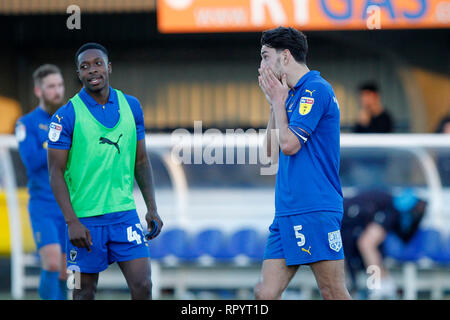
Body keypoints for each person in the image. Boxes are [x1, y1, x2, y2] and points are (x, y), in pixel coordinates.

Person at [47, 43, 163, 300]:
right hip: (85, 221)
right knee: (83, 293)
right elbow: (55, 173)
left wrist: (151, 207)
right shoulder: (64, 117)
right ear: (78, 74)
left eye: (98, 63)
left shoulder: (132, 106)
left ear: (109, 67)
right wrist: (71, 222)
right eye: (84, 67)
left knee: (143, 285)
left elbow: (141, 162)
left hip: (124, 216)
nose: (92, 70)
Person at [256, 27, 351, 300]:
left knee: (332, 292)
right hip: (286, 210)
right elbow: (270, 153)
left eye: (265, 56)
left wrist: (278, 102)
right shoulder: (289, 95)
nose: (261, 65)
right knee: (265, 294)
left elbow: (289, 145)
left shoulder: (316, 90)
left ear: (285, 57)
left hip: (315, 208)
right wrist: (275, 104)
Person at [15, 64, 67, 300]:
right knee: (53, 263)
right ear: (39, 91)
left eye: (59, 85)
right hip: (43, 206)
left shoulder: (69, 119)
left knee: (67, 271)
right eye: (51, 86)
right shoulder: (26, 123)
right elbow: (32, 161)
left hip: (69, 206)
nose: (57, 91)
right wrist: (55, 143)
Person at [341, 189, 426, 299]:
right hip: (351, 220)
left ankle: (379, 284)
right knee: (346, 250)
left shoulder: (390, 208)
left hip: (383, 209)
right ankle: (377, 285)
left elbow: (367, 243)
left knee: (366, 244)